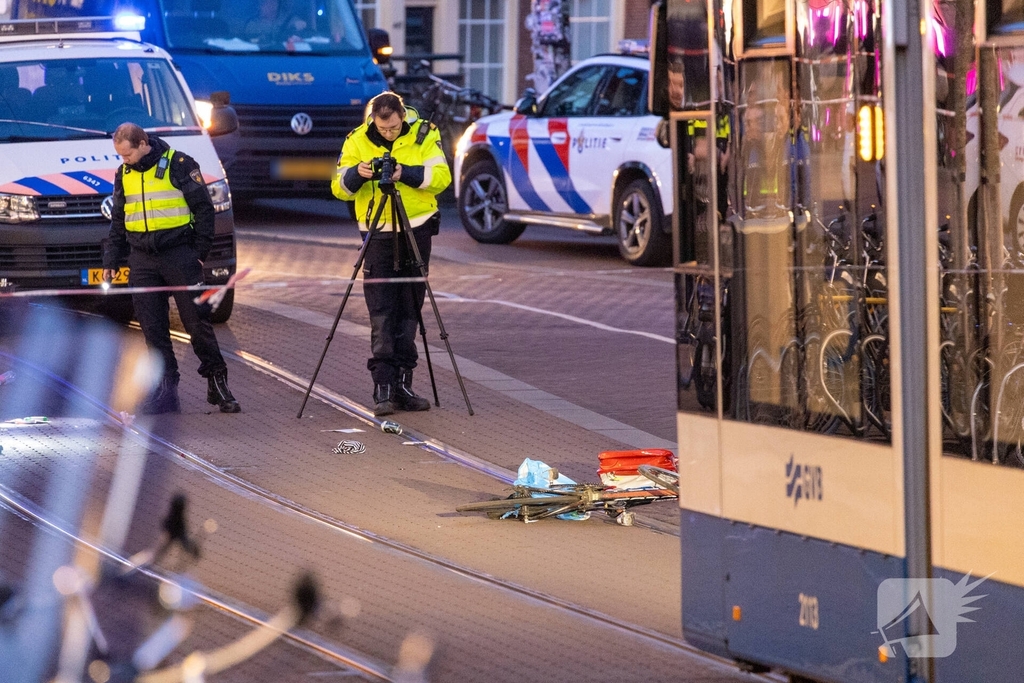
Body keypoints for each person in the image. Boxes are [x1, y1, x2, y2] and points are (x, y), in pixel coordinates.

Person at [102, 123, 241, 415]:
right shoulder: (123, 173)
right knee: (152, 329)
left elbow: (204, 210)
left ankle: (217, 383)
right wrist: (111, 261)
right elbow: (118, 219)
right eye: (120, 156)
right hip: (141, 259)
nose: (124, 161)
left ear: (142, 144)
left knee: (196, 323)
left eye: (127, 155)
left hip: (178, 255)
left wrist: (199, 255)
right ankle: (165, 389)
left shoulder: (179, 165)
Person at [331, 92, 451, 417]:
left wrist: (404, 173)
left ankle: (403, 383)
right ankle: (382, 386)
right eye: (383, 129)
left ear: (402, 116)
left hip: (417, 227)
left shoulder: (425, 133)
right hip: (378, 228)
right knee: (382, 308)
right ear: (373, 121)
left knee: (410, 306)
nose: (389, 134)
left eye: (395, 127)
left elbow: (442, 178)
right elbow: (338, 187)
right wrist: (359, 173)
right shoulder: (356, 140)